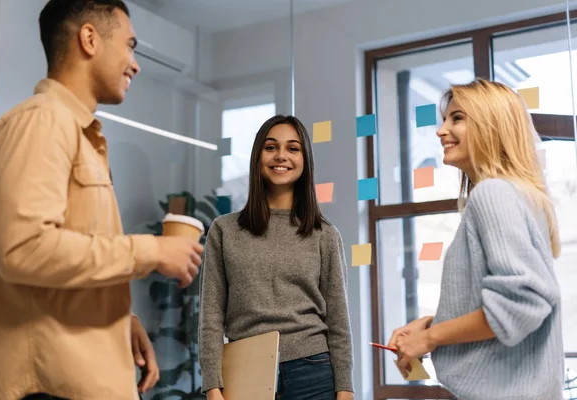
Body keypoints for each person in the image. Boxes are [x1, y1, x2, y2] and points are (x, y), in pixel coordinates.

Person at [0, 1, 204, 399]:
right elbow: (24, 250)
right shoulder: (41, 121)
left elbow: (66, 259)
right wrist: (152, 250)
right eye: (130, 46)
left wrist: (118, 322)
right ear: (89, 39)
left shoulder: (80, 134)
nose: (135, 64)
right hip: (50, 389)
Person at [387, 79, 564, 400]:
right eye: (444, 119)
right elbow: (509, 300)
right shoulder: (520, 194)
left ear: (491, 125)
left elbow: (523, 303)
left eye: (457, 118)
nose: (441, 131)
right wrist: (429, 325)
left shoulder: (493, 194)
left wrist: (430, 338)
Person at [198, 115, 355, 400]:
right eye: (271, 147)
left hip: (314, 372)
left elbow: (338, 320)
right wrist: (212, 385)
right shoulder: (224, 230)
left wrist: (345, 389)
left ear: (305, 159)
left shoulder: (325, 234)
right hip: (245, 371)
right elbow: (210, 316)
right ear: (258, 156)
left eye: (293, 148)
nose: (281, 155)